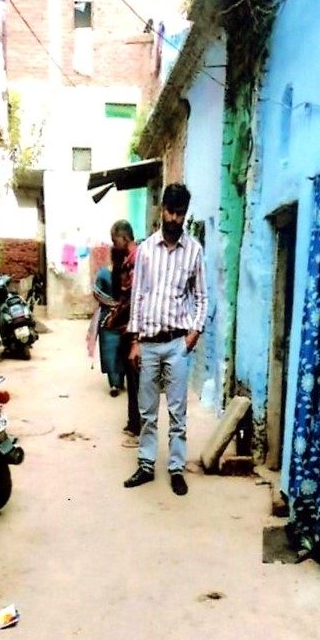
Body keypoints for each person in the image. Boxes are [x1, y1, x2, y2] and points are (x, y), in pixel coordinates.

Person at [124, 183, 208, 496]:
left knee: (177, 411)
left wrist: (194, 332)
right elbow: (138, 296)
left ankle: (176, 468)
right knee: (147, 411)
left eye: (180, 213)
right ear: (162, 210)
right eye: (170, 212)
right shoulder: (146, 250)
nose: (174, 219)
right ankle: (146, 464)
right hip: (147, 343)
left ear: (185, 214)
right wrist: (135, 341)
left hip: (176, 344)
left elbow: (202, 297)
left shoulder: (194, 251)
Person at [106, 220, 139, 445]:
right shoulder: (127, 261)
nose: (113, 244)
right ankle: (133, 421)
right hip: (127, 327)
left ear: (124, 238)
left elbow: (134, 298)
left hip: (134, 330)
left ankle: (138, 426)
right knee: (130, 375)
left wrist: (117, 315)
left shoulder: (136, 261)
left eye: (115, 240)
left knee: (136, 379)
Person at [92, 249, 124, 394]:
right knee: (110, 350)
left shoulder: (126, 274)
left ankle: (118, 381)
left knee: (119, 349)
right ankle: (115, 383)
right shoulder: (104, 274)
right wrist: (114, 304)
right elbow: (97, 293)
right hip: (109, 317)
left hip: (120, 316)